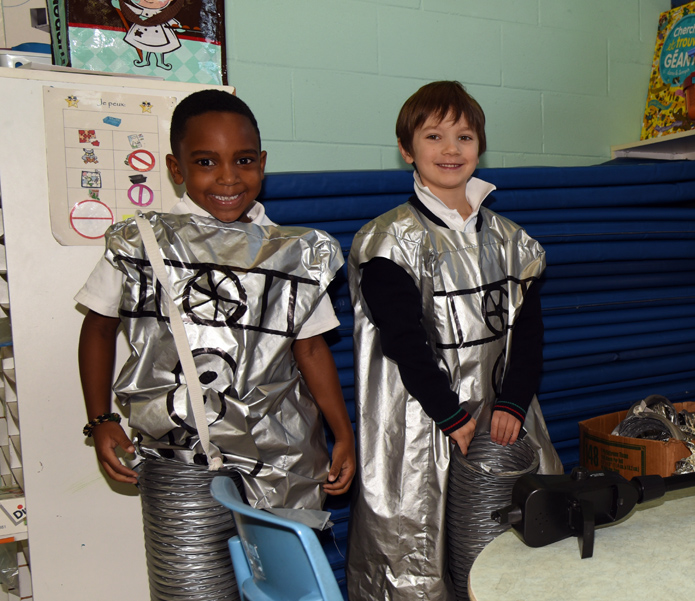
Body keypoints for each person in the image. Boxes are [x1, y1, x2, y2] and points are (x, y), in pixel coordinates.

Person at [76, 89, 355, 510]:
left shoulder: (292, 255)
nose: (228, 177)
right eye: (206, 162)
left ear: (261, 164)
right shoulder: (142, 243)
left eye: (243, 160)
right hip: (178, 453)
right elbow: (98, 327)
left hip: (281, 450)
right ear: (176, 168)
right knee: (192, 573)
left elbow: (311, 348)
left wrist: (343, 434)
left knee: (279, 572)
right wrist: (100, 420)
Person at [345, 81, 562, 601]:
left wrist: (510, 403)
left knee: (515, 545)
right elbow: (403, 342)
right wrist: (451, 415)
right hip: (422, 429)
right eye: (434, 136)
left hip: (504, 423)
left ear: (479, 147)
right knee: (417, 557)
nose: (450, 150)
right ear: (407, 150)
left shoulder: (514, 241)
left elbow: (527, 333)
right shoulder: (388, 241)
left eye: (464, 137)